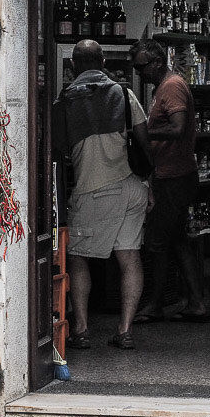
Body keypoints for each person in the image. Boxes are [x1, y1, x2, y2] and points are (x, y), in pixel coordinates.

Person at [52, 40, 151, 350]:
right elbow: (145, 144)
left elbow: (55, 152)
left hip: (92, 190)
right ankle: (124, 331)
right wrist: (151, 186)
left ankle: (80, 329)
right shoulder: (124, 93)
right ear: (105, 61)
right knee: (129, 257)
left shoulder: (66, 101)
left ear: (72, 66)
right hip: (132, 188)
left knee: (78, 258)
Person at [131, 42, 207, 323]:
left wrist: (143, 132)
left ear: (159, 62)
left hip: (175, 176)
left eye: (142, 66)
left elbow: (177, 127)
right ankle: (196, 304)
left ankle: (154, 305)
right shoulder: (162, 87)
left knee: (157, 241)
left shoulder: (172, 86)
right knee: (177, 241)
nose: (139, 73)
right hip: (172, 173)